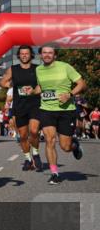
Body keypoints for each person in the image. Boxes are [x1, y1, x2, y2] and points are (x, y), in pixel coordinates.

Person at [34, 44, 86, 184]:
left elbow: (81, 84)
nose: (47, 55)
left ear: (55, 55)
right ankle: (55, 173)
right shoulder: (38, 70)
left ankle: (74, 145)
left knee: (65, 147)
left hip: (66, 111)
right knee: (49, 140)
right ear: (40, 55)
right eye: (44, 52)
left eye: (50, 53)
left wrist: (69, 95)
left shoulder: (65, 67)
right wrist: (32, 91)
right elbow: (41, 87)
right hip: (46, 109)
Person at [0, 45, 43, 172]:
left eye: (27, 53)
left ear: (31, 55)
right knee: (23, 136)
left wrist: (35, 90)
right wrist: (11, 84)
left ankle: (35, 153)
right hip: (20, 106)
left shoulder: (38, 69)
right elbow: (2, 82)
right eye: (22, 53)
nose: (24, 55)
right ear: (19, 56)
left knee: (34, 131)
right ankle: (28, 159)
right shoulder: (13, 69)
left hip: (35, 104)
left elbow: (43, 84)